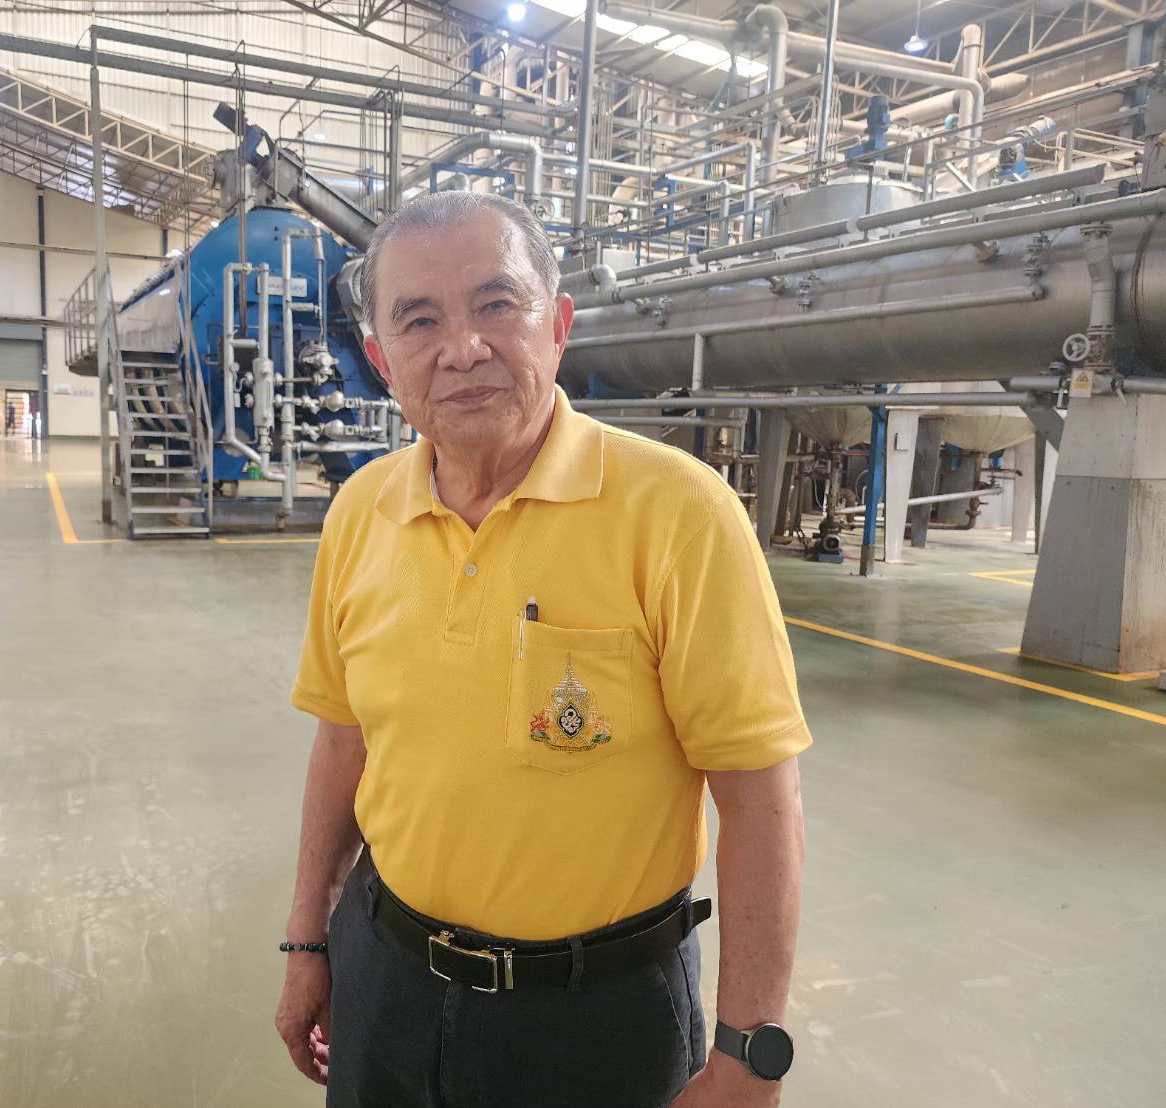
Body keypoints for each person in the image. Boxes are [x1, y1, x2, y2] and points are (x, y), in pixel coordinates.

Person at [277, 191, 810, 1108]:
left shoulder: (677, 514)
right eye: (418, 320)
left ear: (557, 326)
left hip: (596, 1014)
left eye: (496, 304)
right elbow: (342, 742)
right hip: (384, 974)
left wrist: (747, 1055)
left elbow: (759, 796)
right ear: (381, 360)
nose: (462, 348)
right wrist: (307, 939)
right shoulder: (360, 512)